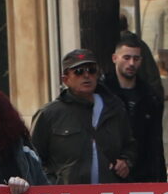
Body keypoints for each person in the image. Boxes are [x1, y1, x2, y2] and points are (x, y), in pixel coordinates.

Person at [28, 49, 131, 185]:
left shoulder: (114, 108)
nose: (86, 75)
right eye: (78, 72)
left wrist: (126, 161)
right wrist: (52, 183)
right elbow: (32, 159)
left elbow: (130, 144)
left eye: (92, 70)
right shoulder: (49, 114)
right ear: (65, 79)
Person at [110, 37, 168, 182]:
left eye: (136, 59)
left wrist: (160, 179)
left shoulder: (150, 96)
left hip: (144, 176)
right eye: (127, 57)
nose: (131, 63)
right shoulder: (102, 94)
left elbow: (156, 143)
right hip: (113, 175)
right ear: (115, 58)